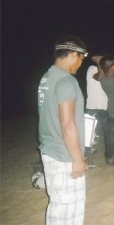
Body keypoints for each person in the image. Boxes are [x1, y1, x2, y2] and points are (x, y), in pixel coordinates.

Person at [37, 35, 88, 224]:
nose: (81, 64)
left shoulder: (47, 77)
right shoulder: (67, 81)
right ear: (74, 54)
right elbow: (67, 124)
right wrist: (77, 159)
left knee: (58, 206)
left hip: (50, 151)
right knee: (70, 211)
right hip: (64, 155)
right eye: (81, 59)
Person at [85, 55, 114, 165]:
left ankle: (109, 157)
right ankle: (90, 161)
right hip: (93, 108)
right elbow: (99, 76)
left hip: (106, 108)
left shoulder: (108, 72)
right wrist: (98, 62)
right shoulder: (92, 68)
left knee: (109, 135)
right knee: (91, 136)